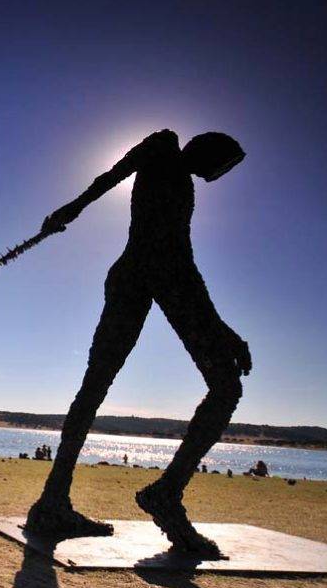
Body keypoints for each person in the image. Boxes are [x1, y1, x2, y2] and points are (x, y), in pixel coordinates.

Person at [25, 130, 250, 558]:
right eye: (223, 165)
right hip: (156, 275)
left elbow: (183, 256)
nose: (217, 176)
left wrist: (223, 329)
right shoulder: (165, 144)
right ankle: (162, 494)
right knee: (226, 386)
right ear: (208, 152)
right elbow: (114, 174)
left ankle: (55, 499)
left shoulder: (184, 185)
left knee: (95, 387)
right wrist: (70, 210)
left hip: (146, 275)